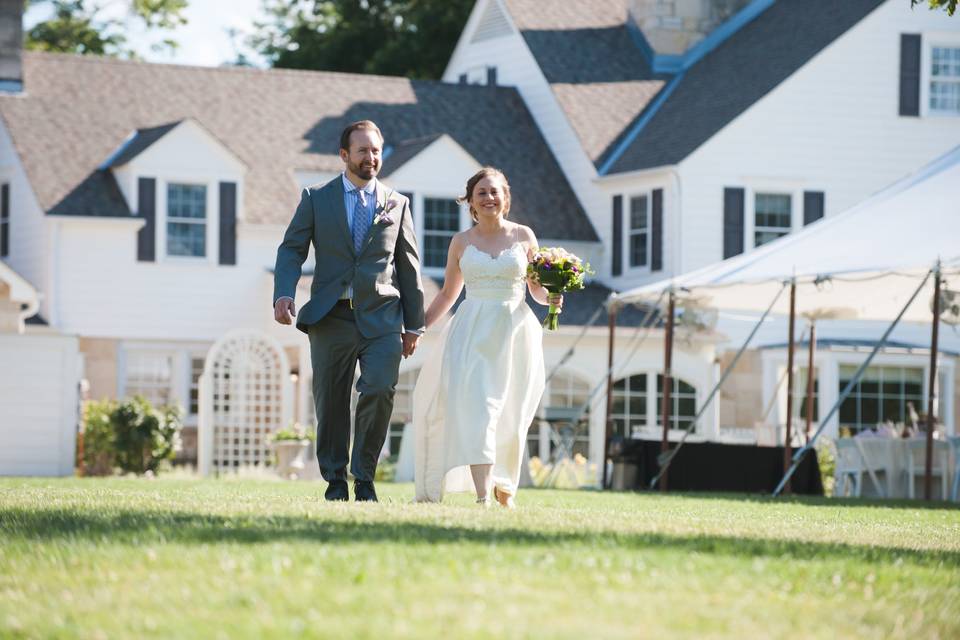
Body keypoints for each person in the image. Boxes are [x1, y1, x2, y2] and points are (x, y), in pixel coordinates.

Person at [273, 120, 425, 502]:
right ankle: (335, 481)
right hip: (331, 316)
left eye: (376, 150)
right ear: (344, 155)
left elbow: (408, 266)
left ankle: (366, 479)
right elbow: (292, 249)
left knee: (379, 388)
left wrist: (415, 326)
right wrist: (283, 293)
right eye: (363, 151)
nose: (371, 157)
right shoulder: (315, 198)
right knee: (332, 401)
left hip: (383, 317)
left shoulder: (397, 203)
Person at [413, 168, 560, 507]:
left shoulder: (524, 237)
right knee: (481, 409)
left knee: (511, 413)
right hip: (472, 334)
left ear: (505, 198)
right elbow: (449, 294)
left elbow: (535, 291)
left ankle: (504, 487)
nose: (489, 197)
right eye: (481, 192)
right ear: (471, 201)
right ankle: (483, 496)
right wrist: (417, 328)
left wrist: (552, 296)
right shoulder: (461, 242)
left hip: (514, 333)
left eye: (494, 191)